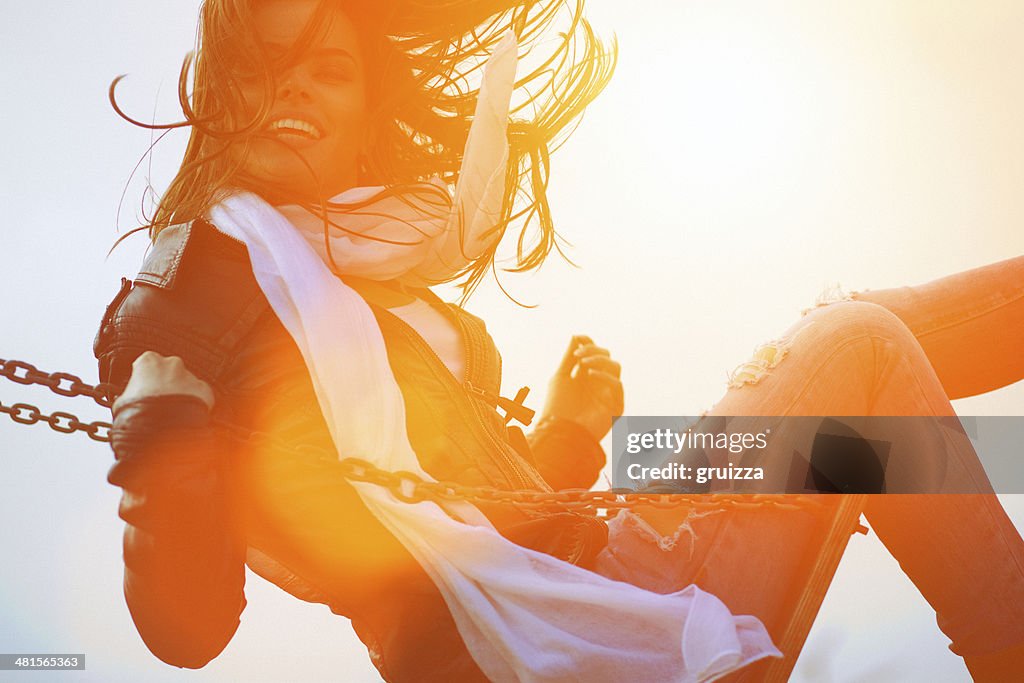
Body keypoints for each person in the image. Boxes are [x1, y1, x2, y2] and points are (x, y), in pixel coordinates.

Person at [95, 0, 1024, 680]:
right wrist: (162, 445)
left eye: (327, 69)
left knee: (851, 357)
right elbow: (189, 628)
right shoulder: (186, 299)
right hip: (544, 639)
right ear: (222, 88)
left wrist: (572, 439)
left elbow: (481, 528)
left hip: (600, 565)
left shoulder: (377, 281)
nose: (292, 86)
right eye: (263, 65)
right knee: (854, 347)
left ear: (368, 116)